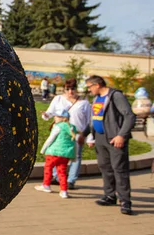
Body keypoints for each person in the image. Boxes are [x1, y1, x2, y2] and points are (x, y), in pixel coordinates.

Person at [84, 75, 136, 215]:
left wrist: (121, 135)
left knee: (119, 170)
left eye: (89, 87)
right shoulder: (97, 98)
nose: (89, 90)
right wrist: (89, 135)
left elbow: (129, 116)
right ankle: (109, 196)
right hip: (100, 139)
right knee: (105, 167)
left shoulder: (116, 96)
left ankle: (125, 202)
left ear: (97, 85)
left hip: (114, 139)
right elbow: (95, 118)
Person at [42, 78, 92, 189]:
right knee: (57, 154)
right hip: (60, 132)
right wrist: (46, 115)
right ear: (64, 89)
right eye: (67, 89)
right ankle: (56, 177)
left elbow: (89, 121)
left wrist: (89, 138)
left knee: (76, 156)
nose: (70, 92)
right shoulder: (58, 99)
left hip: (77, 133)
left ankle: (71, 180)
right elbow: (50, 112)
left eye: (73, 89)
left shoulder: (84, 103)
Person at [35, 109, 77, 198]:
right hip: (65, 154)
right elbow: (74, 142)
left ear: (63, 118)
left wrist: (43, 149)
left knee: (48, 168)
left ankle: (46, 185)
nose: (55, 118)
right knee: (62, 172)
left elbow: (51, 139)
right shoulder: (72, 127)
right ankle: (64, 191)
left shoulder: (58, 126)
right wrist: (74, 155)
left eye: (57, 116)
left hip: (53, 152)